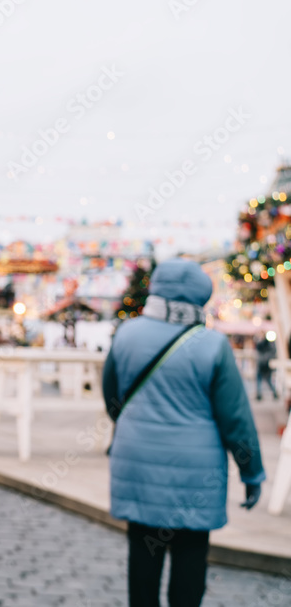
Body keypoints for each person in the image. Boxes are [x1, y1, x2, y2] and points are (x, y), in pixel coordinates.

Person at [102, 259, 265, 607]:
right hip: (196, 475)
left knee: (143, 561)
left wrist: (134, 427)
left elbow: (112, 397)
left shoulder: (126, 334)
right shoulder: (212, 345)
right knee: (189, 565)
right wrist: (251, 471)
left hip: (138, 466)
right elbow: (235, 418)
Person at [255, 333, 277, 400]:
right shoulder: (263, 344)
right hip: (262, 364)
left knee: (267, 380)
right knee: (261, 380)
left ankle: (274, 392)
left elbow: (271, 353)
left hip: (265, 365)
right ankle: (259, 394)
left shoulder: (269, 344)